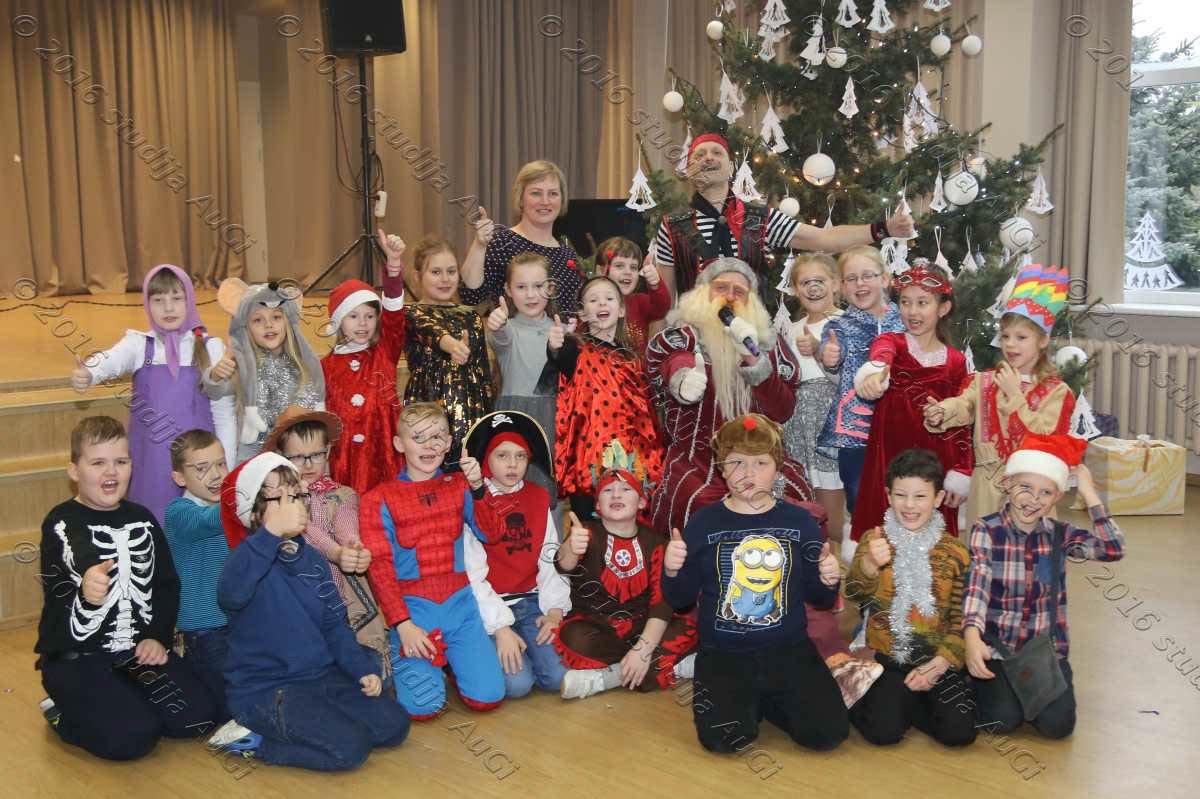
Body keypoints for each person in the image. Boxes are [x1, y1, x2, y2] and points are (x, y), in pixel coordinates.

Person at [661, 414, 848, 753]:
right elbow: (680, 599)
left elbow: (819, 598)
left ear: (777, 469)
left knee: (828, 734)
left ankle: (764, 700)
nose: (748, 473)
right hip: (724, 655)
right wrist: (673, 570)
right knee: (724, 742)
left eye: (760, 463)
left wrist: (827, 579)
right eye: (737, 462)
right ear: (721, 468)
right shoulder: (703, 523)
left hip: (789, 650)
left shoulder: (800, 522)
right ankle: (748, 701)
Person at [35, 416, 217, 761]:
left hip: (134, 654)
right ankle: (63, 714)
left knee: (198, 717)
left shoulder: (143, 518)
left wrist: (157, 637)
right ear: (74, 471)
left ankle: (124, 699)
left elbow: (165, 586)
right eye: (97, 463)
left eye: (120, 461)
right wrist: (88, 579)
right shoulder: (60, 521)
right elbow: (77, 550)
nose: (111, 472)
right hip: (78, 660)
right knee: (133, 738)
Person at [218, 452, 409, 770]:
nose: (292, 505)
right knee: (351, 748)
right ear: (253, 512)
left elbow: (335, 625)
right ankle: (254, 741)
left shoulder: (312, 560)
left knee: (394, 724)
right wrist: (270, 533)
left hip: (320, 679)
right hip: (266, 692)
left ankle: (321, 723)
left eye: (296, 495)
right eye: (278, 498)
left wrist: (361, 669)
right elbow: (231, 594)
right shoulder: (244, 558)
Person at [962, 433, 1124, 739]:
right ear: (1007, 484)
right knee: (1001, 722)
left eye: (1045, 492)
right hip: (997, 647)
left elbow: (1112, 549)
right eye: (1025, 487)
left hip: (1044, 651)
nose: (1033, 500)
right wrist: (971, 635)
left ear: (1057, 497)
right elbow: (977, 585)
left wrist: (1090, 494)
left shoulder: (1060, 534)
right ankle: (986, 686)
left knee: (1057, 727)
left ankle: (1023, 694)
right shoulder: (987, 529)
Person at [358, 402, 506, 718]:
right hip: (414, 612)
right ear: (399, 444)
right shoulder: (377, 499)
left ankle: (454, 662)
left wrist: (479, 488)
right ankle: (419, 657)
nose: (429, 445)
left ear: (449, 442)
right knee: (422, 706)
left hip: (461, 605)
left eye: (437, 436)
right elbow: (380, 567)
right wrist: (402, 624)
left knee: (489, 695)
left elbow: (493, 533)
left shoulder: (461, 486)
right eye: (418, 437)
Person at [645, 257, 813, 535]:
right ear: (703, 293)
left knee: (794, 494)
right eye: (721, 288)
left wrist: (753, 360)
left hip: (761, 456)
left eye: (739, 291)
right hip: (699, 462)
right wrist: (683, 379)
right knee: (697, 501)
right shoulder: (682, 338)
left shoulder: (768, 346)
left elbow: (783, 410)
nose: (730, 297)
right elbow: (675, 362)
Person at [653, 132, 914, 297]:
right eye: (700, 155)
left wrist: (884, 228)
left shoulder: (759, 219)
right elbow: (664, 302)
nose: (708, 158)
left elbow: (824, 239)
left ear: (731, 168)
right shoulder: (672, 226)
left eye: (716, 153)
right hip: (695, 347)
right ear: (689, 170)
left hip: (751, 345)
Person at [72, 264, 236, 524]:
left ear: (190, 301)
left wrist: (227, 468)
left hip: (201, 467)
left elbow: (224, 414)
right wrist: (89, 373)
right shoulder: (139, 345)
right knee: (152, 527)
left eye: (177, 299)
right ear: (147, 305)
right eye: (158, 300)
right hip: (151, 465)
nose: (168, 308)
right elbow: (110, 360)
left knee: (196, 529)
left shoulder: (210, 347)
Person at [924, 263, 1075, 525]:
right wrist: (942, 411)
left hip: (1033, 488)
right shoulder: (984, 381)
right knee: (985, 543)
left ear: (1043, 340)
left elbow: (1046, 435)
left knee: (1031, 546)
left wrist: (1015, 396)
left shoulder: (1057, 392)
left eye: (1021, 337)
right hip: (987, 486)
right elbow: (964, 405)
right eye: (1005, 336)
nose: (1010, 344)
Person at [844, 448, 976, 747]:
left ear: (938, 498)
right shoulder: (875, 540)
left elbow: (962, 619)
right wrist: (868, 565)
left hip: (937, 657)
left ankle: (910, 702)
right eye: (901, 495)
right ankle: (880, 697)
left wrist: (941, 663)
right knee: (883, 733)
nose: (910, 505)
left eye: (920, 496)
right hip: (889, 657)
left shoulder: (956, 552)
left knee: (959, 734)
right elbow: (852, 593)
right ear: (888, 496)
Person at [554, 440, 697, 700]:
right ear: (598, 505)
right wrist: (571, 548)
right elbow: (563, 564)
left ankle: (608, 678)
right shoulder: (585, 532)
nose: (616, 495)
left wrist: (643, 649)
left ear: (641, 502)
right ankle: (671, 667)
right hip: (600, 629)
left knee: (686, 627)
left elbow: (662, 603)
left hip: (645, 627)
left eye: (626, 489)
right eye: (608, 490)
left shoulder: (657, 542)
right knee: (574, 637)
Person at [850, 263, 973, 542]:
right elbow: (882, 354)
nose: (912, 311)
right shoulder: (892, 342)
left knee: (933, 539)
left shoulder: (956, 361)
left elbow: (963, 419)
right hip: (890, 456)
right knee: (885, 534)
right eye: (905, 302)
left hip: (937, 460)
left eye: (922, 303)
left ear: (943, 308)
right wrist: (874, 373)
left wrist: (962, 469)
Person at [261, 406, 391, 668]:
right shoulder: (277, 501)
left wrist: (352, 547)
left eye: (316, 455)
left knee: (363, 665)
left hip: (342, 598)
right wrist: (335, 552)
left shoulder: (343, 494)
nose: (309, 464)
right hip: (300, 600)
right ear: (281, 457)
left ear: (329, 452)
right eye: (298, 457)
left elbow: (346, 523)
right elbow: (304, 529)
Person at [462, 411, 570, 698]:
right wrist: (500, 629)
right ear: (486, 460)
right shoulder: (475, 502)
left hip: (532, 603)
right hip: (490, 605)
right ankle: (477, 653)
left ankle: (528, 652)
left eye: (520, 456)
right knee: (517, 685)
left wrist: (555, 612)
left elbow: (549, 557)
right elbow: (472, 576)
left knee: (557, 676)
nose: (512, 464)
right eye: (502, 456)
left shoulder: (537, 497)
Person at [815, 245, 905, 559]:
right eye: (851, 278)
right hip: (855, 434)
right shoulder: (837, 327)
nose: (860, 284)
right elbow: (831, 353)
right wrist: (829, 356)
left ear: (885, 279)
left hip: (900, 427)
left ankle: (905, 565)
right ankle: (866, 567)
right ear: (841, 286)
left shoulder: (906, 321)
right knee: (859, 498)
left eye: (868, 275)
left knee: (905, 494)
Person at [549, 275, 664, 520]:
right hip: (590, 462)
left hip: (631, 461)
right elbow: (560, 357)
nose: (602, 303)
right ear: (582, 313)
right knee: (592, 533)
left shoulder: (632, 358)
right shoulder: (575, 349)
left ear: (621, 310)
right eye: (593, 300)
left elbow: (645, 415)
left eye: (609, 298)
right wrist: (554, 346)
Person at [321, 229, 407, 495]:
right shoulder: (325, 366)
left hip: (386, 456)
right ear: (338, 321)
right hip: (345, 462)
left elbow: (394, 314)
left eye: (369, 316)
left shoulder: (385, 351)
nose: (362, 324)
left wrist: (393, 266)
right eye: (353, 316)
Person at [215, 277, 326, 463]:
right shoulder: (242, 366)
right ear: (246, 328)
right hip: (254, 455)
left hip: (297, 457)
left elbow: (310, 413)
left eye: (276, 317)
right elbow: (217, 393)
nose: (269, 325)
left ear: (287, 322)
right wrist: (218, 371)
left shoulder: (303, 367)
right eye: (258, 320)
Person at [164, 429, 233, 723]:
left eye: (221, 464)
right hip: (204, 633)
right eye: (202, 468)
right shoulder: (178, 511)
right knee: (231, 708)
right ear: (179, 478)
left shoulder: (227, 510)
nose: (216, 475)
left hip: (237, 623)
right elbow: (205, 522)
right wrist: (248, 495)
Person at [404, 236, 494, 461]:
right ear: (417, 276)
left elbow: (484, 374)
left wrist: (488, 418)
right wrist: (451, 344)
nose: (445, 279)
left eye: (451, 271)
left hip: (471, 410)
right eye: (436, 272)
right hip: (427, 410)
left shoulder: (471, 316)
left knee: (468, 468)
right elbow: (430, 330)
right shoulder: (411, 313)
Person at [460, 159, 584, 314]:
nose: (545, 201)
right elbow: (470, 297)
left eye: (553, 193)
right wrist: (479, 246)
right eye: (536, 193)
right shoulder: (502, 242)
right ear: (521, 199)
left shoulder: (568, 254)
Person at [780, 253, 846, 542]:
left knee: (833, 511)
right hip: (797, 429)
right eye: (805, 282)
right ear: (796, 289)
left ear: (836, 284)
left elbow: (851, 378)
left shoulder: (846, 323)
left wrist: (819, 351)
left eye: (819, 281)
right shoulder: (791, 329)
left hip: (830, 426)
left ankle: (841, 557)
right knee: (804, 504)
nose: (813, 288)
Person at [485, 252, 558, 499]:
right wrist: (498, 323)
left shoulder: (559, 329)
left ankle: (549, 526)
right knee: (509, 488)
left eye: (538, 286)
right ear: (508, 290)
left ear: (550, 288)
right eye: (521, 287)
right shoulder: (509, 328)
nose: (530, 295)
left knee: (547, 487)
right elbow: (501, 337)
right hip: (514, 417)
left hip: (552, 417)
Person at [593, 236, 671, 355]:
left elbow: (662, 307)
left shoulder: (640, 302)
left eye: (633, 267)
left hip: (637, 366)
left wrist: (655, 285)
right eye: (619, 266)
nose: (628, 272)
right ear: (600, 271)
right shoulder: (591, 305)